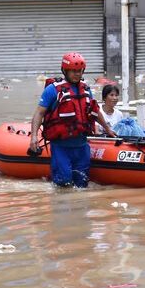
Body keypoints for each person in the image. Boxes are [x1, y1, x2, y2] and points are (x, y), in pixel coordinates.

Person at [29, 52, 116, 188]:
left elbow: (95, 111)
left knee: (82, 184)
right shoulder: (53, 90)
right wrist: (33, 136)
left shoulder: (86, 89)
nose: (77, 74)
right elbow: (39, 113)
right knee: (64, 183)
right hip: (61, 147)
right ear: (65, 70)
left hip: (81, 146)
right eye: (73, 71)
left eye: (79, 71)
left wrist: (107, 129)